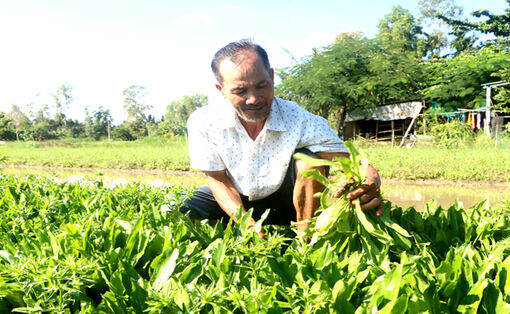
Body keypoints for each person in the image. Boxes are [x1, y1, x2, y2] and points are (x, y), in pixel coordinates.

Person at [182, 39, 382, 236]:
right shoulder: (204, 122)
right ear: (221, 90)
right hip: (238, 197)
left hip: (287, 204)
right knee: (179, 212)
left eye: (261, 86)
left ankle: (306, 237)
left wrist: (370, 182)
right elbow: (218, 180)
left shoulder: (299, 119)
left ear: (271, 76)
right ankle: (237, 235)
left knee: (309, 163)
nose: (254, 99)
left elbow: (356, 163)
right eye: (240, 91)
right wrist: (247, 224)